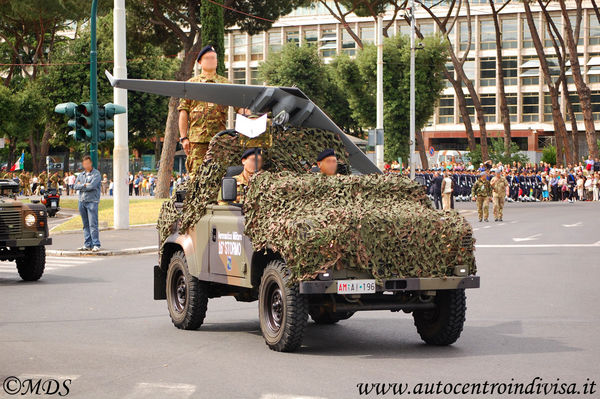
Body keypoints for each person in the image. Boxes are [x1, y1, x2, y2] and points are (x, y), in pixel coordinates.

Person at [178, 45, 249, 175]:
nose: (211, 60)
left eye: (213, 58)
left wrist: (254, 115)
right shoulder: (191, 84)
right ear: (200, 62)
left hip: (219, 139)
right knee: (196, 176)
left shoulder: (225, 84)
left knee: (218, 175)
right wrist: (183, 137)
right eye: (207, 58)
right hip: (197, 141)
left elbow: (239, 108)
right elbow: (183, 111)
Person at [73, 155, 102, 251]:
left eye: (88, 163)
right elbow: (74, 186)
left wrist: (81, 185)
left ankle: (96, 244)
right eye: (84, 164)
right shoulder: (81, 175)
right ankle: (87, 244)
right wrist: (84, 185)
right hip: (82, 201)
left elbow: (92, 186)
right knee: (85, 224)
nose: (86, 165)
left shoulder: (96, 174)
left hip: (92, 201)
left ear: (91, 164)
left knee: (93, 224)